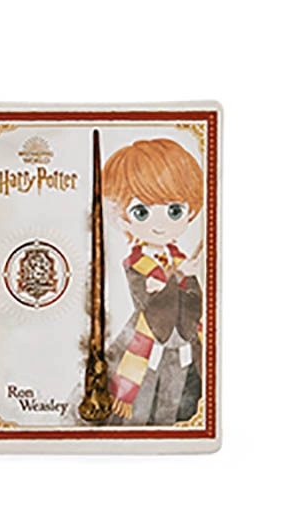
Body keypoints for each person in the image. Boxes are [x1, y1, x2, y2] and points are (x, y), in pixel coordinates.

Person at [102, 138, 204, 424]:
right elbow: (152, 305)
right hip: (147, 342)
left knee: (178, 397)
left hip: (181, 343)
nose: (159, 224)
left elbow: (194, 304)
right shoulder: (136, 263)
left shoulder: (178, 259)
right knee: (142, 404)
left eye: (174, 211)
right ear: (122, 217)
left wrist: (187, 278)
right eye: (142, 212)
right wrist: (176, 281)